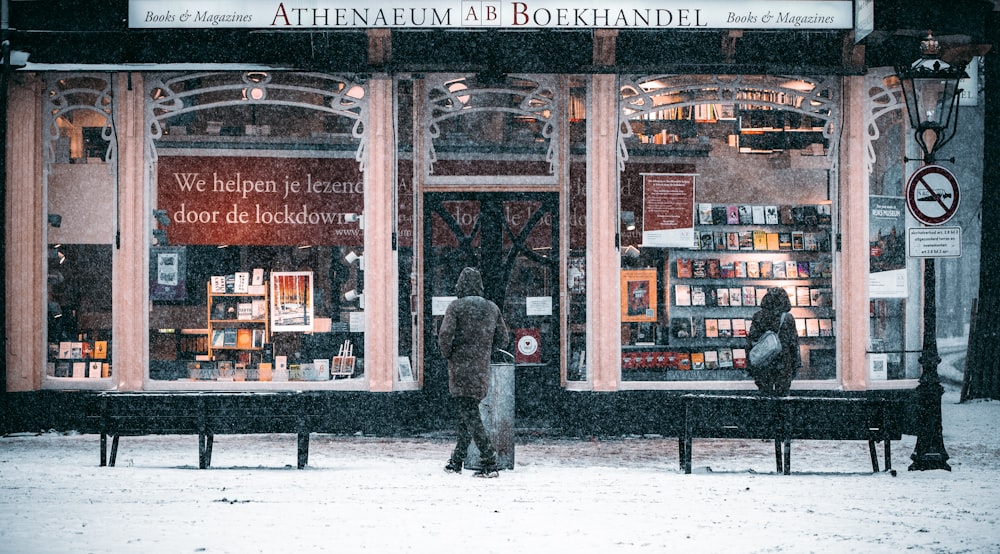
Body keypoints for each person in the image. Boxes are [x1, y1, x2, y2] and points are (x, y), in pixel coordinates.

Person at [437, 267, 509, 478]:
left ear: (460, 285)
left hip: (460, 367)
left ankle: (489, 460)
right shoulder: (492, 308)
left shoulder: (456, 307)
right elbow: (503, 339)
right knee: (468, 413)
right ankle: (456, 460)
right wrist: (485, 350)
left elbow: (445, 336)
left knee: (469, 414)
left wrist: (449, 353)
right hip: (481, 368)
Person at [747, 287, 801, 396]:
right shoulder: (787, 318)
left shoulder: (758, 316)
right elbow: (793, 343)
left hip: (763, 362)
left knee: (765, 396)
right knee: (782, 397)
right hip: (783, 362)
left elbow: (752, 341)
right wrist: (795, 364)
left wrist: (750, 364)